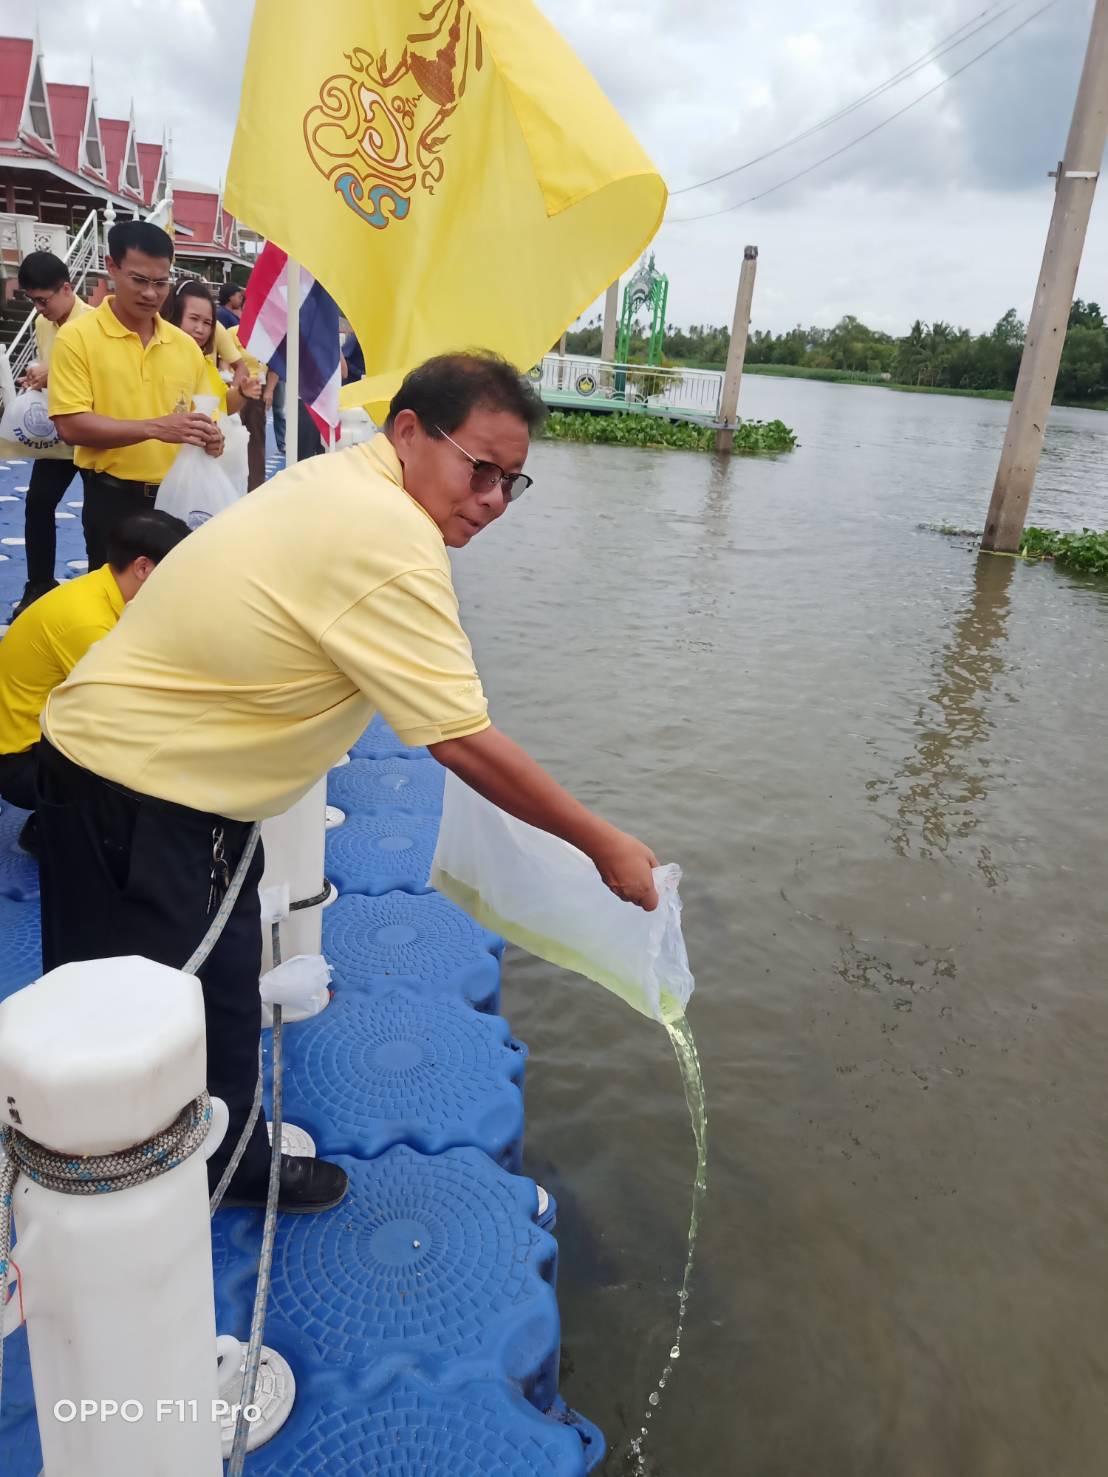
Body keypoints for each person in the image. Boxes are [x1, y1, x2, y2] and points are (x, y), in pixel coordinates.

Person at [36, 351, 659, 1216]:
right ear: (408, 430)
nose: (489, 501)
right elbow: (461, 740)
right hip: (133, 790)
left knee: (216, 987)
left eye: (511, 484)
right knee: (130, 1034)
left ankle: (228, 1163)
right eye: (479, 469)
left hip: (176, 782)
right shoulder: (390, 536)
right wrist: (605, 845)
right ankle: (127, 1218)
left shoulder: (348, 478)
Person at [0, 508, 189, 852]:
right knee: (151, 758)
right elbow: (127, 714)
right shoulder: (86, 623)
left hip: (44, 735)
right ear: (143, 567)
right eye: (177, 572)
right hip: (22, 760)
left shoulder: (103, 591)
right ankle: (60, 827)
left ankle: (66, 817)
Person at [47, 220, 224, 571]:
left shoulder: (185, 346)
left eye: (161, 283)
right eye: (139, 280)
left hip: (176, 499)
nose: (151, 294)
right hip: (112, 499)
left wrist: (214, 438)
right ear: (112, 266)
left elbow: (203, 419)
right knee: (116, 601)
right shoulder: (77, 338)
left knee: (175, 598)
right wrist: (155, 428)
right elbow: (70, 425)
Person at [10, 251, 92, 618]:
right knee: (38, 504)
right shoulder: (45, 324)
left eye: (44, 300)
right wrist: (38, 378)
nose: (40, 309)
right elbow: (52, 368)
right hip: (58, 437)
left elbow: (97, 382)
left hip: (93, 432)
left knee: (96, 516)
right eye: (33, 301)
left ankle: (99, 589)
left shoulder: (94, 324)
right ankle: (39, 584)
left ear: (67, 288)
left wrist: (53, 375)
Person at [166, 279, 262, 421]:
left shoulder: (206, 364)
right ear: (174, 315)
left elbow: (223, 406)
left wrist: (241, 392)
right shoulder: (160, 359)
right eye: (194, 319)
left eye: (207, 323)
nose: (200, 329)